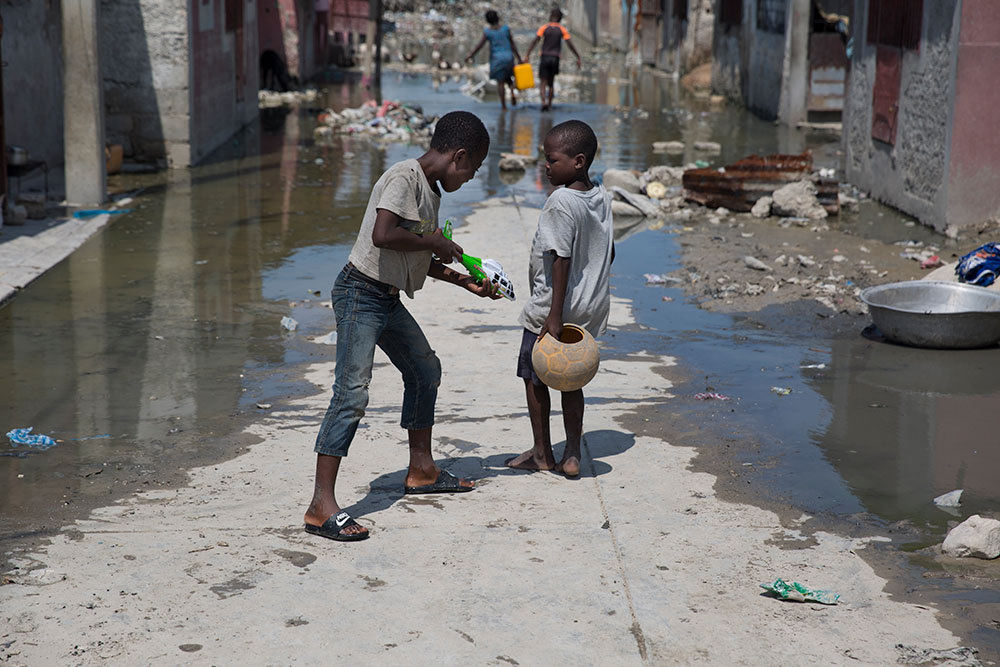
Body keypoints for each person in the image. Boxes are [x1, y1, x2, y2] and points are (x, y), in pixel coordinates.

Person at [304, 111, 499, 542]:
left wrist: (465, 281)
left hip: (387, 297)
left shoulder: (429, 191)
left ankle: (422, 470)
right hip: (359, 293)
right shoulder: (403, 177)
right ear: (459, 157)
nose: (471, 179)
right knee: (352, 392)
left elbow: (415, 258)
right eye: (473, 170)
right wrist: (436, 241)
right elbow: (383, 234)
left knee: (424, 369)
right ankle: (321, 505)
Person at [507, 120, 614, 477]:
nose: (546, 167)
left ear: (578, 161)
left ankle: (541, 453)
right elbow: (607, 252)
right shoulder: (600, 196)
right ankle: (571, 454)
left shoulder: (560, 201)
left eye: (552, 160)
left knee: (533, 374)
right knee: (572, 378)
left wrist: (552, 316)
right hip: (589, 304)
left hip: (554, 306)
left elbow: (560, 258)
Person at [524, 7, 582, 111]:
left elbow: (535, 41)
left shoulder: (544, 28)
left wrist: (527, 54)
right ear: (560, 18)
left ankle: (543, 102)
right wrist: (577, 56)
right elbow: (570, 44)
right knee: (551, 82)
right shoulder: (562, 29)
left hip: (545, 57)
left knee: (543, 82)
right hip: (555, 58)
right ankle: (550, 104)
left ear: (550, 16)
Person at [465, 10, 523, 110]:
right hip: (509, 57)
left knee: (500, 82)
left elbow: (480, 45)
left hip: (497, 59)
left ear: (487, 20)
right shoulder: (505, 29)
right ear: (497, 18)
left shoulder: (488, 32)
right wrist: (519, 58)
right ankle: (513, 93)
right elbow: (512, 44)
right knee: (508, 78)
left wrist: (471, 55)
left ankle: (504, 106)